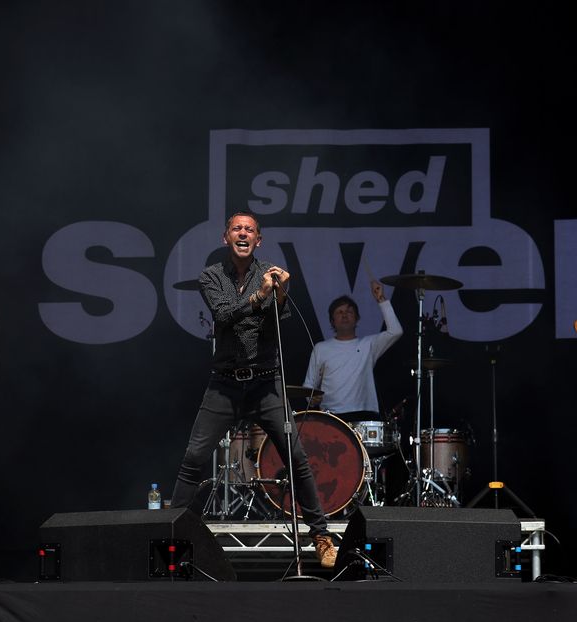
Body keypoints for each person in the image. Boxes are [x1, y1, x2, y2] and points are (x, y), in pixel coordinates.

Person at [169, 212, 337, 568]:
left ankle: (321, 536)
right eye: (236, 229)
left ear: (258, 240)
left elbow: (278, 321)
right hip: (226, 383)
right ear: (225, 237)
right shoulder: (211, 276)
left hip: (265, 382)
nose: (242, 234)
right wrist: (256, 298)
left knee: (297, 459)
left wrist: (278, 294)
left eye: (249, 230)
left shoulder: (271, 275)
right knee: (194, 459)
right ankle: (173, 537)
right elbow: (223, 314)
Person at [302, 282, 403, 422]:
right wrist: (311, 398)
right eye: (339, 312)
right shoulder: (321, 348)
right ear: (332, 321)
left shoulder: (369, 345)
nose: (344, 315)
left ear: (356, 319)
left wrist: (381, 299)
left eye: (349, 311)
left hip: (364, 415)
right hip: (331, 416)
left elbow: (395, 331)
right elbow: (308, 385)